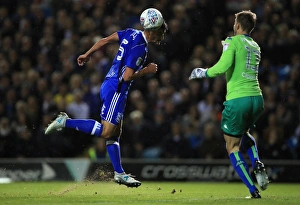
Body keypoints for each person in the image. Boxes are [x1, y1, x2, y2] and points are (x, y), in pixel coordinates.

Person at [45, 8, 168, 188]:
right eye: (159, 29)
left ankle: (119, 173)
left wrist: (87, 54)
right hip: (116, 89)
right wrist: (147, 71)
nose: (162, 33)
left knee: (115, 134)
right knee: (106, 132)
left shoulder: (130, 32)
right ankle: (65, 122)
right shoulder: (141, 48)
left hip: (111, 85)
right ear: (150, 30)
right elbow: (127, 76)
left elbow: (105, 40)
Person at [189, 10, 269, 198]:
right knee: (245, 133)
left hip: (238, 99)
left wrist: (202, 72)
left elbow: (222, 67)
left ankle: (253, 190)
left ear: (238, 26)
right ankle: (257, 162)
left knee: (232, 146)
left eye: (235, 23)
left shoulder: (232, 42)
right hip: (257, 98)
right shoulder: (255, 45)